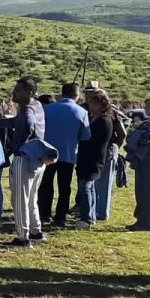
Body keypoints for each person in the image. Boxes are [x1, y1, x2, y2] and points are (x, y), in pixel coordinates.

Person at [0, 77, 55, 247]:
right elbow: (17, 122)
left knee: (20, 199)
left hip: (24, 158)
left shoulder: (26, 111)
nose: (13, 93)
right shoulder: (37, 106)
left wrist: (18, 146)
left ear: (29, 93)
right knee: (31, 197)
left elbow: (27, 124)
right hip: (37, 159)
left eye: (17, 90)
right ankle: (35, 231)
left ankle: (23, 237)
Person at [40, 83, 91, 229]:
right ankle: (60, 217)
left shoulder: (47, 109)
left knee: (46, 184)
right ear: (77, 95)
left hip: (47, 154)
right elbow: (85, 136)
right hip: (68, 154)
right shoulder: (82, 112)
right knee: (64, 187)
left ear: (61, 94)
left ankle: (44, 214)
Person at [75, 91, 115, 230]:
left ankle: (86, 218)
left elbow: (92, 140)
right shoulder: (95, 119)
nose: (92, 106)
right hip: (87, 157)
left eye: (96, 104)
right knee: (89, 187)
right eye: (92, 103)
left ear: (103, 106)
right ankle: (90, 216)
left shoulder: (104, 121)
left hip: (93, 157)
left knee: (85, 186)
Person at [126, 97, 150, 232]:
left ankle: (148, 223)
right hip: (141, 159)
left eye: (149, 105)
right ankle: (140, 220)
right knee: (140, 191)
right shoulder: (145, 123)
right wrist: (138, 137)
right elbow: (129, 137)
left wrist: (138, 137)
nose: (146, 108)